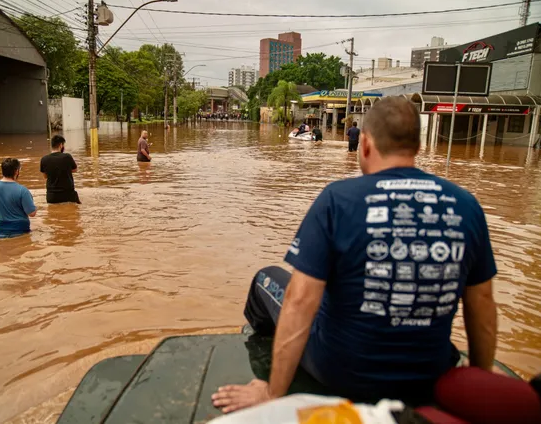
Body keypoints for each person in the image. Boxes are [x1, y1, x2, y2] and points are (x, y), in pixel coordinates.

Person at [212, 97, 498, 413]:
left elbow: (299, 300)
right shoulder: (466, 204)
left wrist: (272, 394)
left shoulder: (338, 199)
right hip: (429, 375)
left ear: (364, 144)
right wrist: (481, 387)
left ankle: (263, 353)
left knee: (266, 279)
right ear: (417, 148)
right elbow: (482, 304)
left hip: (342, 373)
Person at [0, 158, 37, 238]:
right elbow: (32, 213)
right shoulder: (22, 190)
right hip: (21, 231)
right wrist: (35, 207)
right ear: (16, 171)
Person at [40, 135, 81, 204]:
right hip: (68, 196)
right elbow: (75, 170)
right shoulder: (67, 157)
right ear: (61, 145)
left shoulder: (44, 159)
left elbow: (45, 176)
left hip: (52, 197)